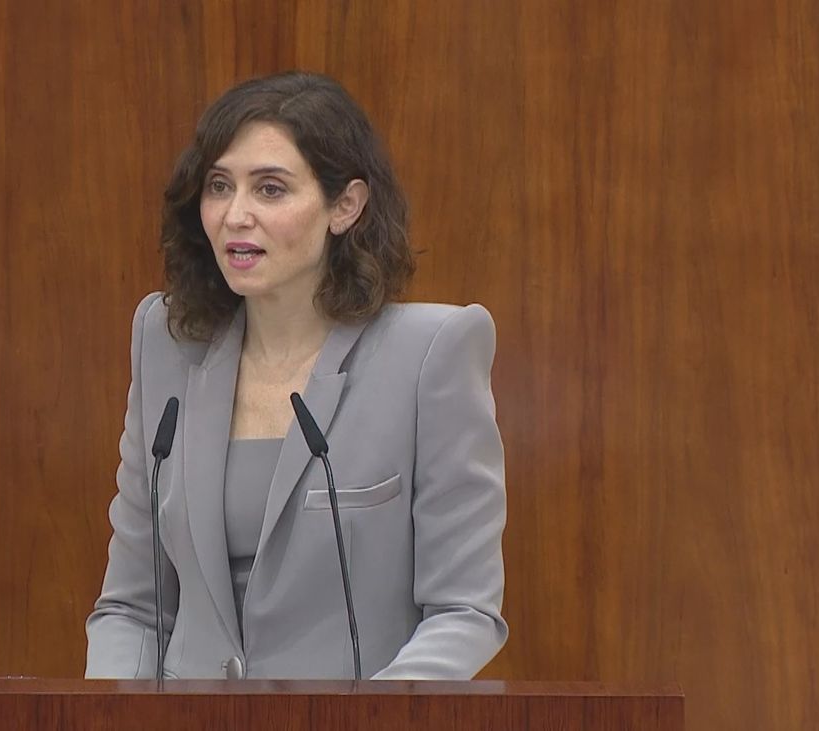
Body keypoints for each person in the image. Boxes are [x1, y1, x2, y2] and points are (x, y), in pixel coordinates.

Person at [85, 71, 506, 680]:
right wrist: (116, 715)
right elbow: (132, 607)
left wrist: (368, 721)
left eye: (270, 189)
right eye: (219, 186)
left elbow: (463, 611)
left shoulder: (429, 354)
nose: (236, 215)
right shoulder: (167, 341)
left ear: (345, 206)